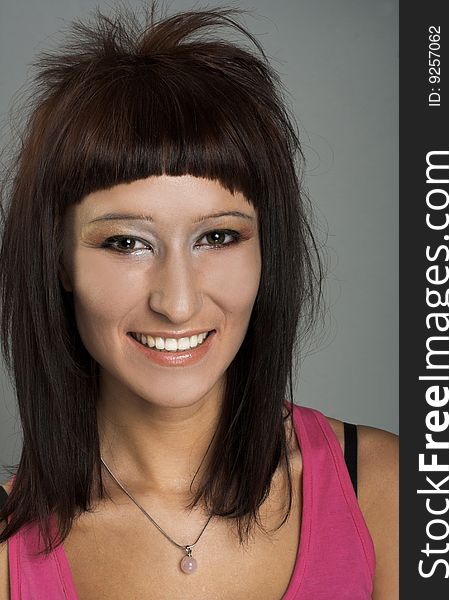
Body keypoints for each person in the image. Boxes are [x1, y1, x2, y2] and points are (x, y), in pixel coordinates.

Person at [0, 3, 398, 599]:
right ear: (57, 259)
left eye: (218, 237)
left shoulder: (392, 493)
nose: (178, 303)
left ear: (268, 248)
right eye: (127, 243)